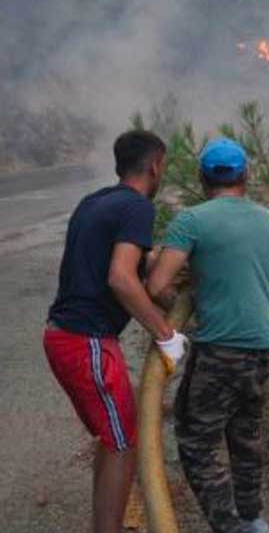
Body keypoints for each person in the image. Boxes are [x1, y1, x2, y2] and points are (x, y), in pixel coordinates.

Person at [44, 130, 189, 533]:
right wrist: (166, 334)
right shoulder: (137, 207)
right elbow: (121, 279)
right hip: (85, 340)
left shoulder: (95, 202)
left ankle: (103, 526)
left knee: (114, 436)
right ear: (156, 165)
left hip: (63, 337)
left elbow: (130, 267)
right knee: (124, 441)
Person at [147, 138, 269, 533]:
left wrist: (181, 298)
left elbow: (156, 287)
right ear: (246, 176)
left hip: (222, 348)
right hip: (264, 347)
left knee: (195, 442)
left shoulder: (193, 221)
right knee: (245, 437)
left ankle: (230, 527)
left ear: (202, 178)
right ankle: (253, 520)